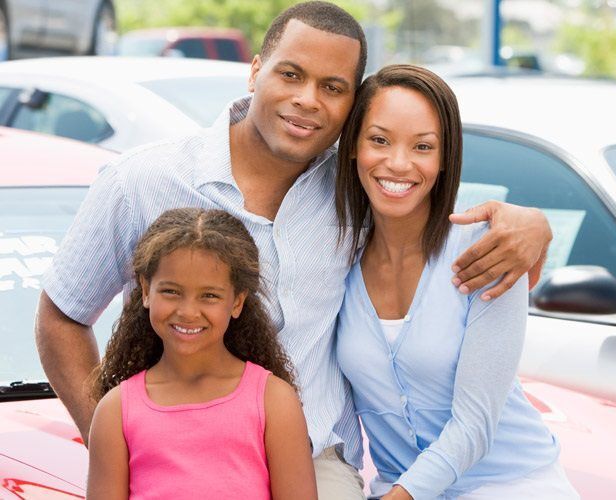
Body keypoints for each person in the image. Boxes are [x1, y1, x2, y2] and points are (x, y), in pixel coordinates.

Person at [35, 2, 552, 498]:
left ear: (351, 105)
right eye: (291, 75)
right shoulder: (143, 181)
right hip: (175, 458)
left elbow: (423, 191)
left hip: (315, 462)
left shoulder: (355, 187)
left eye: (333, 87)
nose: (308, 99)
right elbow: (62, 316)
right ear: (255, 70)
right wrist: (117, 442)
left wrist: (532, 224)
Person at [335, 65, 579, 499]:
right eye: (379, 140)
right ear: (353, 145)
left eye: (422, 146)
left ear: (445, 158)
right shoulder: (334, 257)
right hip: (394, 488)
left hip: (508, 486)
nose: (398, 162)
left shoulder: (488, 249)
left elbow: (475, 425)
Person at [86, 208, 316, 500]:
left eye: (209, 295)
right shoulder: (115, 410)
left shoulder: (274, 401)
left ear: (237, 302)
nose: (188, 312)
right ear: (145, 290)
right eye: (171, 291)